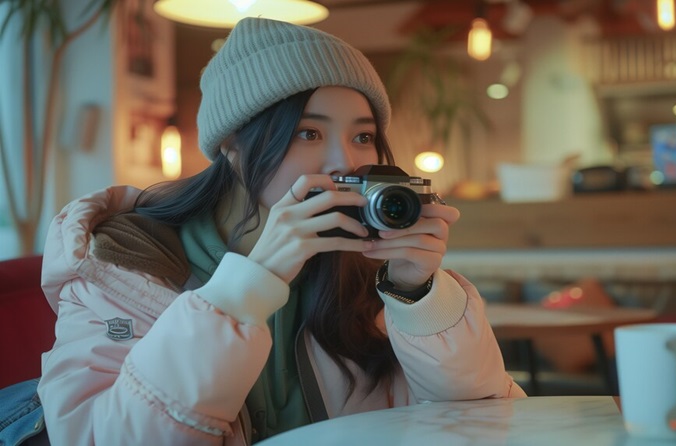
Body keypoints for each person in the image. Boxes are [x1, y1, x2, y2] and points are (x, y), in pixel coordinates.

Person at [36, 17, 526, 445]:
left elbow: (482, 422)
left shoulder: (363, 259)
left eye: (363, 136)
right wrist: (251, 283)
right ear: (231, 146)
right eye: (307, 133)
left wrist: (419, 296)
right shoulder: (124, 261)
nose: (345, 162)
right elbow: (104, 437)